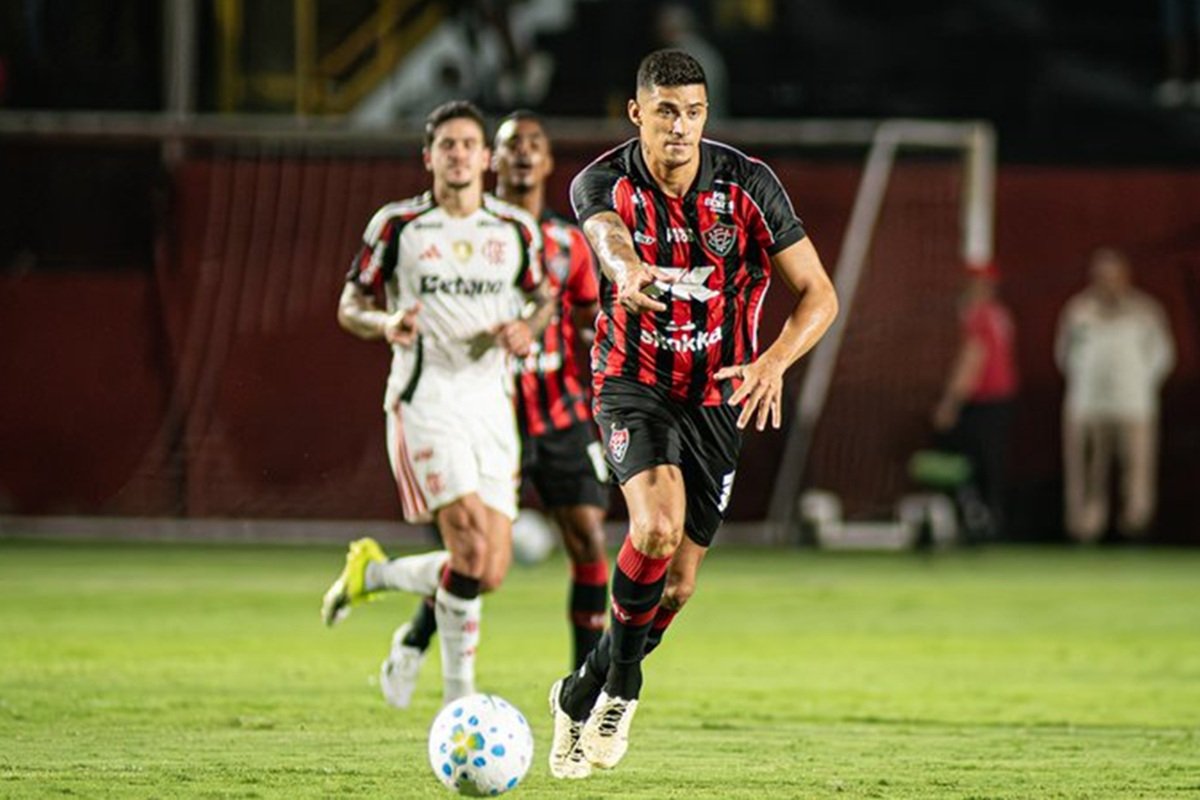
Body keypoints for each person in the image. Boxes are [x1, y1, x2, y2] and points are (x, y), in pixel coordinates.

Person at [546, 49, 839, 779]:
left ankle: (577, 691)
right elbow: (606, 236)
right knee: (655, 526)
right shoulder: (602, 181)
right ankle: (622, 690)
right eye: (666, 112)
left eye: (694, 113)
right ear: (636, 113)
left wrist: (774, 361)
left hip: (717, 395)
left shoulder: (747, 185)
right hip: (632, 382)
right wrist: (624, 270)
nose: (681, 127)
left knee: (676, 584)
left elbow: (820, 295)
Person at [320, 100, 551, 708]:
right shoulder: (398, 226)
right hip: (426, 398)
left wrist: (527, 327)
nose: (458, 155)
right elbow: (350, 304)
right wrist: (385, 322)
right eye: (447, 145)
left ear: (485, 157)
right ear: (429, 157)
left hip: (491, 405)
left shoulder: (514, 230)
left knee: (487, 570)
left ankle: (374, 576)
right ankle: (459, 705)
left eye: (469, 144)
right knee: (468, 546)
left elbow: (542, 297)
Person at [493, 110, 611, 668]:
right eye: (511, 143)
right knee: (476, 553)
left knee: (589, 540)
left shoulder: (570, 241)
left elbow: (589, 317)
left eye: (533, 144)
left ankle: (584, 681)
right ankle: (420, 639)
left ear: (546, 162)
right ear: (494, 160)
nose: (523, 151)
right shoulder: (476, 237)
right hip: (492, 412)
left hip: (562, 412)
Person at [1055, 247, 1175, 543]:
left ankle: (1136, 528)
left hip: (1133, 405)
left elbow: (1162, 356)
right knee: (1089, 471)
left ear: (1125, 277)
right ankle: (1086, 529)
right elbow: (1064, 354)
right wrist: (1084, 382)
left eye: (1112, 276)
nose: (1107, 282)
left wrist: (1140, 384)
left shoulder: (1145, 312)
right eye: (1101, 276)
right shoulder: (1078, 310)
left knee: (1136, 470)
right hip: (1088, 404)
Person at [931, 264, 1019, 540]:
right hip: (1001, 398)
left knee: (969, 465)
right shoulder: (1000, 314)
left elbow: (972, 359)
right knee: (992, 464)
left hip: (982, 400)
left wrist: (950, 403)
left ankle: (977, 523)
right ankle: (991, 520)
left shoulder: (978, 316)